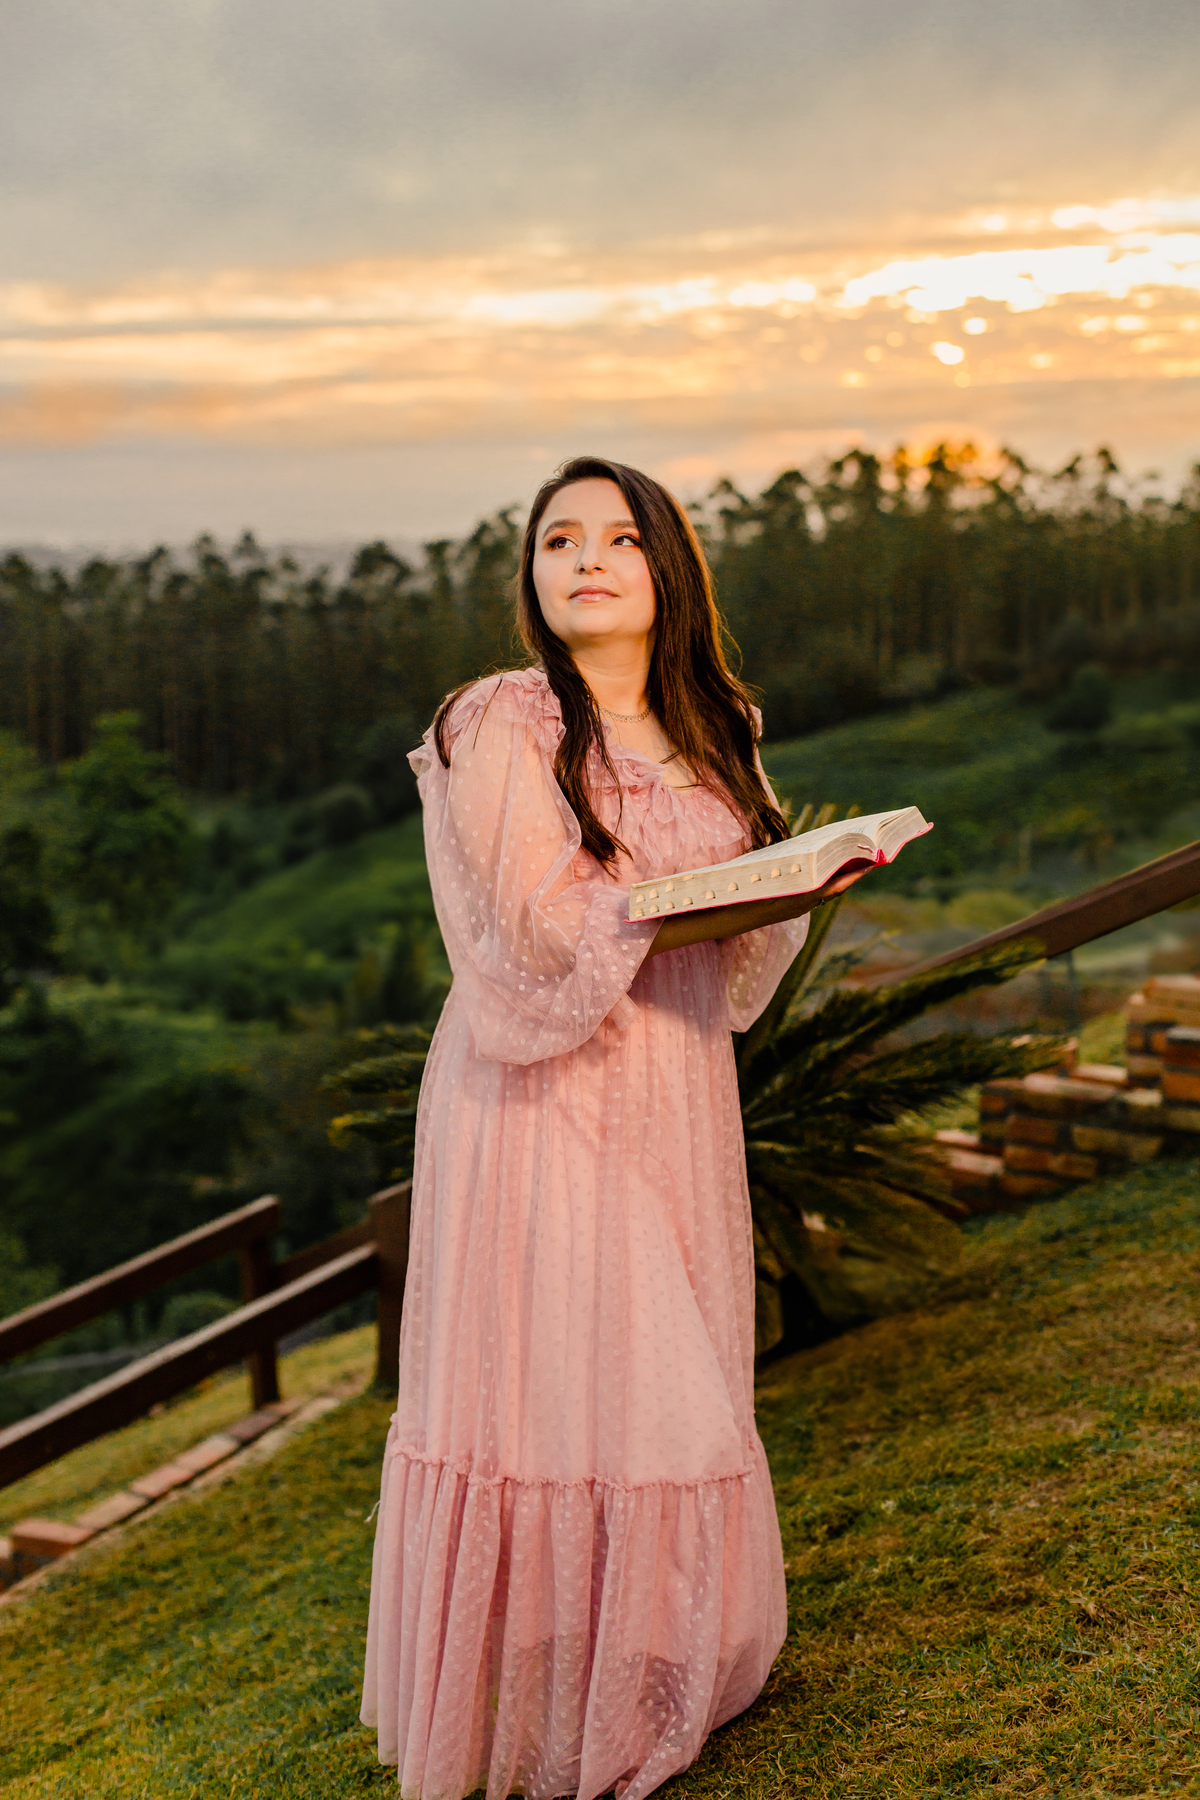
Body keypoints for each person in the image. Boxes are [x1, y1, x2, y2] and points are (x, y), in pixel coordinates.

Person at [361, 456, 867, 1799]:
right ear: (531, 574)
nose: (587, 559)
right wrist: (706, 898)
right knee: (577, 1382)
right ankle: (544, 1700)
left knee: (658, 1373)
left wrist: (799, 883)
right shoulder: (504, 718)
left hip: (674, 1090)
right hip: (540, 1092)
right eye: (559, 540)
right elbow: (537, 926)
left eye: (621, 538)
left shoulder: (717, 725)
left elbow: (736, 955)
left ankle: (652, 1661)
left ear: (668, 569)